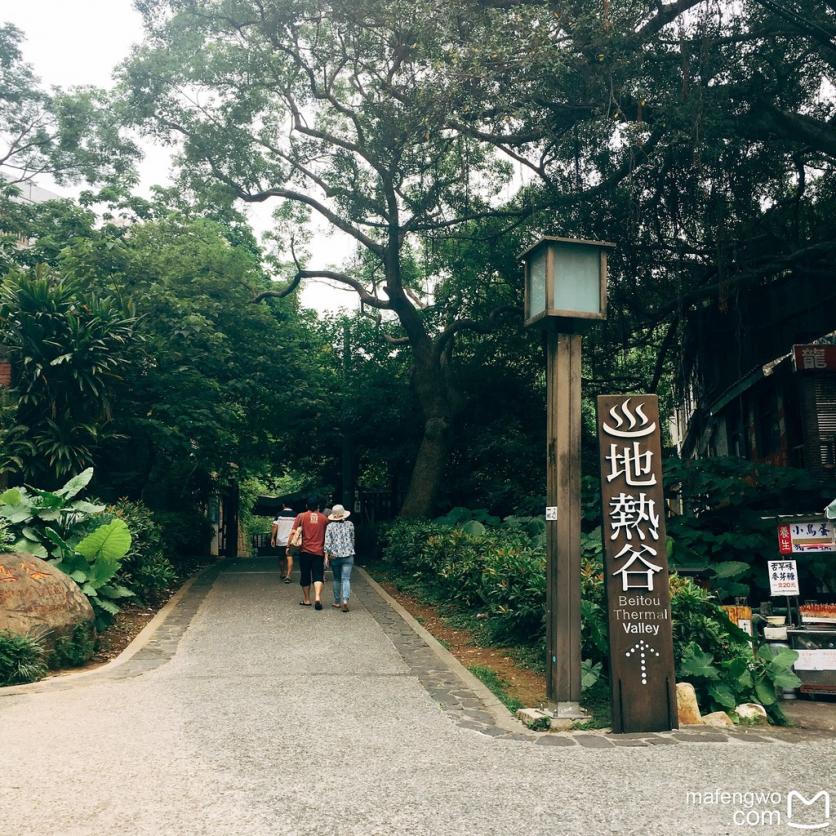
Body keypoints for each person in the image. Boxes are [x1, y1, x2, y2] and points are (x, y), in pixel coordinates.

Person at [289, 496, 329, 610]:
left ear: (306, 506)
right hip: (319, 552)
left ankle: (307, 600)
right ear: (318, 506)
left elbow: (293, 532)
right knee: (318, 575)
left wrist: (289, 546)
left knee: (305, 575)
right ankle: (317, 597)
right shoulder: (324, 519)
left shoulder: (301, 516)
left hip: (304, 551)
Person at [325, 504, 355, 612]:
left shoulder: (330, 526)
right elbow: (352, 539)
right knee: (346, 578)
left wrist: (326, 556)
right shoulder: (350, 524)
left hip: (335, 556)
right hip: (348, 555)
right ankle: (345, 600)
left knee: (337, 579)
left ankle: (337, 602)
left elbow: (327, 543)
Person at [270, 501, 296, 583]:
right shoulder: (295, 515)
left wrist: (272, 538)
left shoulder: (279, 514)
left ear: (283, 505)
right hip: (291, 540)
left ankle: (282, 573)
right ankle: (288, 575)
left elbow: (274, 526)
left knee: (281, 558)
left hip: (280, 540)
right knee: (289, 556)